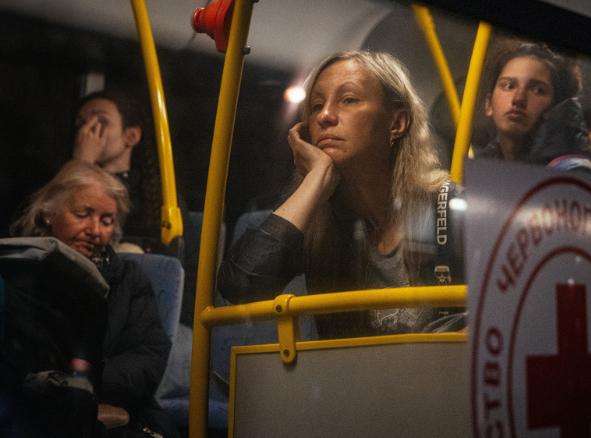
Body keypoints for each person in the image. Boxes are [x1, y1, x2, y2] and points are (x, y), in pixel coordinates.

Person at [218, 51, 463, 339]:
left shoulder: (449, 210)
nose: (324, 116)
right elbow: (240, 287)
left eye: (348, 100)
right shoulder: (318, 219)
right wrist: (315, 180)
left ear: (397, 123)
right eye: (316, 105)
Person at [10, 160, 177, 437]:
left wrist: (78, 383)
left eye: (106, 221)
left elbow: (147, 359)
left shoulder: (128, 280)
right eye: (83, 213)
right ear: (50, 213)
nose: (95, 230)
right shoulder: (21, 271)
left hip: (117, 410)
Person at [477, 40, 591, 173]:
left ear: (557, 107)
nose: (518, 99)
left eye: (538, 90)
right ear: (489, 104)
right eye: (509, 86)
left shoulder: (571, 175)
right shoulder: (481, 170)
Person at [73, 90, 164, 254]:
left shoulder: (151, 192)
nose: (86, 131)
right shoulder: (60, 180)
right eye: (81, 123)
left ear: (131, 136)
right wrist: (82, 164)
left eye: (100, 121)